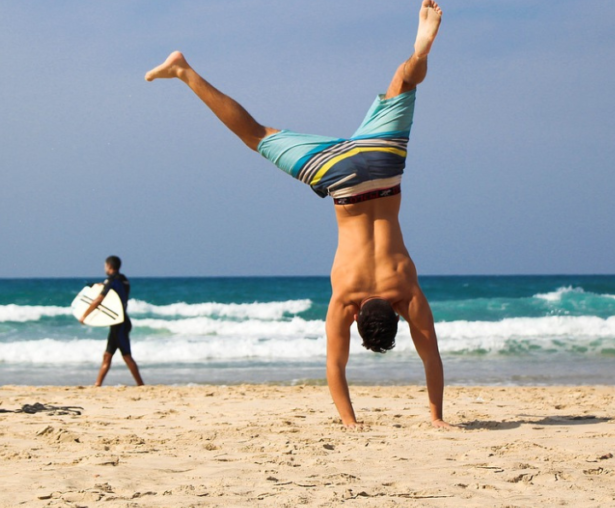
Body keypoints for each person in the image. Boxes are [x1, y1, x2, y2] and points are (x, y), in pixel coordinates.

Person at [145, 1, 452, 428]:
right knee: (255, 134)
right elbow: (336, 367)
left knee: (403, 82)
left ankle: (419, 53)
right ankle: (183, 71)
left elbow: (432, 357)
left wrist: (438, 416)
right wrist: (350, 421)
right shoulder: (347, 298)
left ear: (396, 315)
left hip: (382, 166)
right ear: (358, 319)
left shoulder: (406, 291)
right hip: (340, 181)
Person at [78, 256, 144, 387]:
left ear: (109, 266)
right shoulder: (124, 280)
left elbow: (99, 300)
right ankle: (98, 384)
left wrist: (84, 315)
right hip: (121, 322)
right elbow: (117, 292)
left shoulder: (111, 281)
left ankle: (141, 385)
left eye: (105, 266)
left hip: (119, 324)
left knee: (126, 355)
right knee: (107, 355)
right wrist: (101, 285)